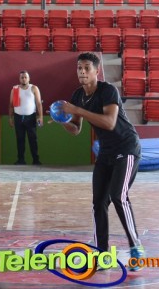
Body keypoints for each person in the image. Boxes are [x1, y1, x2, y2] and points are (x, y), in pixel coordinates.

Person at [57, 52, 145, 270]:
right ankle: (102, 254)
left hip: (126, 147)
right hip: (106, 152)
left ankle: (136, 247)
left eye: (87, 68)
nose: (82, 72)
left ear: (97, 71)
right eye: (79, 68)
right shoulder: (78, 95)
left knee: (118, 196)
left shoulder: (108, 90)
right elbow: (76, 129)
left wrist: (76, 110)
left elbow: (109, 122)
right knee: (99, 203)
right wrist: (62, 120)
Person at [8, 70, 43, 165]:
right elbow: (11, 105)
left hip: (31, 118)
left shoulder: (34, 88)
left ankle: (36, 160)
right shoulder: (15, 89)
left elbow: (39, 104)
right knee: (20, 139)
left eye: (25, 77)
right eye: (22, 77)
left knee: (33, 139)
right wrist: (10, 118)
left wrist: (40, 117)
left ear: (29, 78)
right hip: (18, 118)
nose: (24, 79)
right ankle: (21, 160)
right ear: (19, 79)